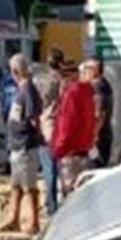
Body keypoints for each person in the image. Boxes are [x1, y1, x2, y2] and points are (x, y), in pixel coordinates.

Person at [0, 53, 43, 234]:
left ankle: (34, 222)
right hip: (16, 145)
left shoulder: (28, 90)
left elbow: (34, 117)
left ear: (16, 71)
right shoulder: (21, 90)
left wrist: (34, 134)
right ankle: (13, 218)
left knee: (29, 186)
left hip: (25, 145)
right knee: (15, 185)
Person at [52, 62, 98, 196]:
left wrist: (58, 149)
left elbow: (67, 126)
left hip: (70, 153)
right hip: (84, 149)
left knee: (70, 196)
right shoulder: (87, 93)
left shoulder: (72, 95)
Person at [37, 48, 65, 216]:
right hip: (56, 126)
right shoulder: (61, 82)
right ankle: (52, 204)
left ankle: (50, 202)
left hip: (42, 124)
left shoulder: (39, 80)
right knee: (53, 166)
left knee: (48, 166)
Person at [83, 58, 114, 166]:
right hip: (103, 134)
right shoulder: (104, 84)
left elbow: (99, 114)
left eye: (87, 68)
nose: (84, 72)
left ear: (95, 70)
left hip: (98, 137)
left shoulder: (98, 88)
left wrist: (93, 136)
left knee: (95, 168)